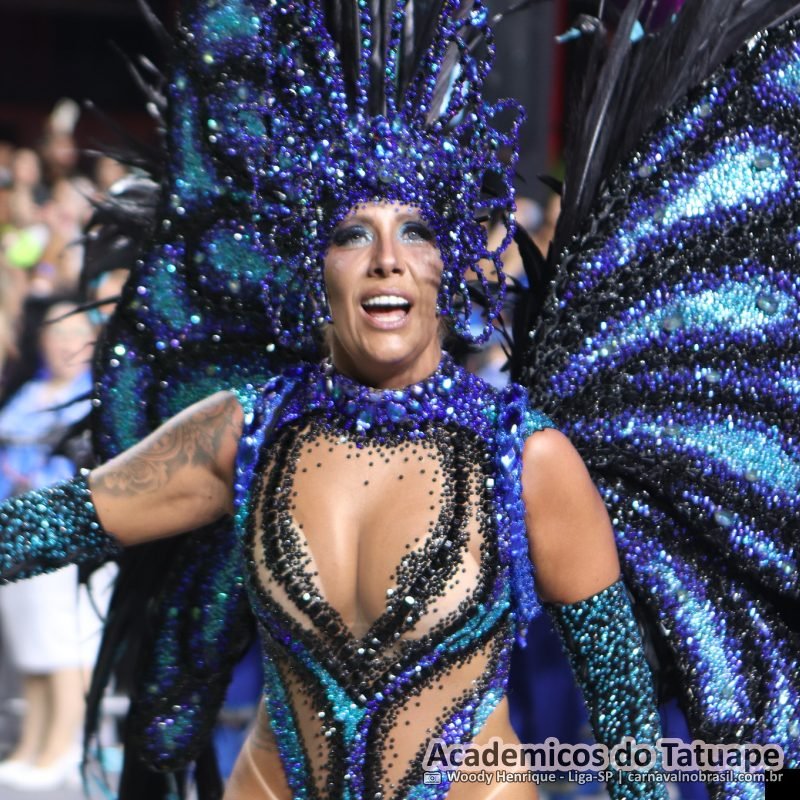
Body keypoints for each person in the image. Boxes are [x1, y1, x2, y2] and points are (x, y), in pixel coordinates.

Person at [2, 2, 799, 800]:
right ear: (316, 265)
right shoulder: (243, 433)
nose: (386, 259)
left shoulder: (524, 458)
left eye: (415, 232)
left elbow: (626, 731)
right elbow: (52, 525)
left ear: (446, 267)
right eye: (353, 234)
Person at [0, 300, 107, 791]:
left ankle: (62, 745)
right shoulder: (30, 392)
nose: (65, 345)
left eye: (74, 335)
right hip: (14, 532)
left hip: (67, 535)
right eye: (56, 336)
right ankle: (34, 741)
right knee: (31, 647)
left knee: (62, 645)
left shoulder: (98, 393)